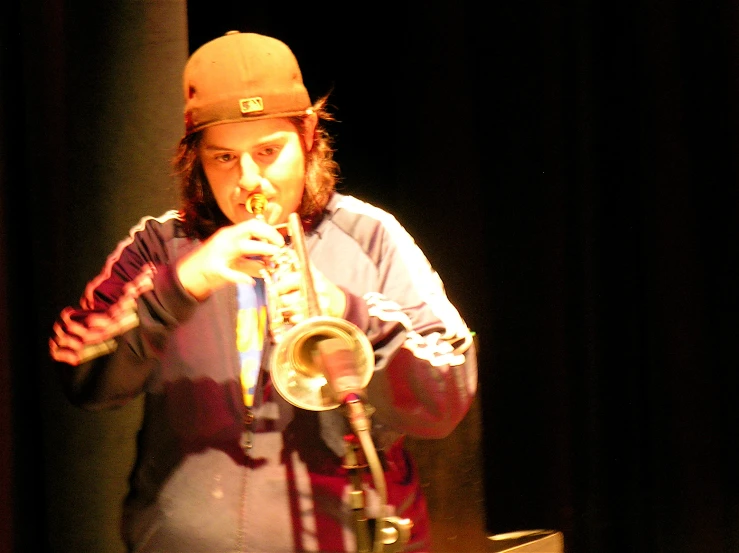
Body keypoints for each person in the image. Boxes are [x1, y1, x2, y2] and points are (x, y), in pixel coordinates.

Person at [49, 30, 477, 553]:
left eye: (269, 152)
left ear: (309, 135)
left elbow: (450, 391)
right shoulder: (160, 245)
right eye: (224, 158)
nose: (251, 181)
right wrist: (181, 285)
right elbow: (77, 369)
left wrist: (350, 311)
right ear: (196, 159)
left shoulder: (371, 235)